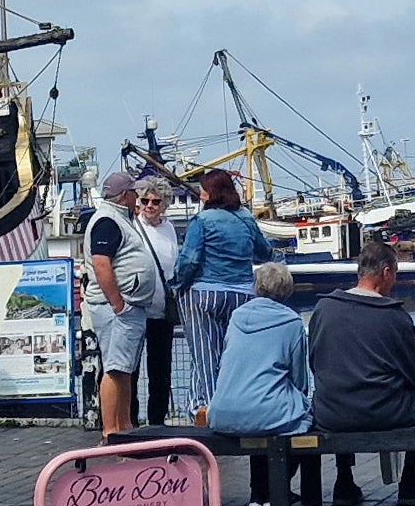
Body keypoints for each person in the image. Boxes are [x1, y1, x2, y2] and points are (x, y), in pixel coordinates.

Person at [307, 233, 415, 506]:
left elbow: (315, 362)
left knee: (340, 385)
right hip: (383, 412)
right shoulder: (393, 316)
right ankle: (411, 480)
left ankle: (344, 481)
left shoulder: (323, 309)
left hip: (332, 413)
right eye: (394, 275)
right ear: (385, 272)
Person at [207, 262, 319, 506]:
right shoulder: (291, 322)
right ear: (287, 290)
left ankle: (258, 493)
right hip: (265, 410)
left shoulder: (237, 317)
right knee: (292, 417)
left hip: (225, 409)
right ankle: (276, 489)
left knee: (260, 415)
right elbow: (299, 378)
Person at [173, 169, 277, 414]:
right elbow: (264, 252)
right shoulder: (245, 218)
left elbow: (190, 260)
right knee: (235, 355)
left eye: (203, 189)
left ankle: (208, 408)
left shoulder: (202, 221)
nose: (200, 193)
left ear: (211, 193)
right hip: (242, 294)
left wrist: (177, 284)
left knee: (204, 355)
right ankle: (236, 403)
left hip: (204, 293)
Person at [83, 170, 170, 436]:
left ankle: (125, 426)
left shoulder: (119, 219)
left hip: (130, 307)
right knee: (115, 368)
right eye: (135, 193)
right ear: (124, 196)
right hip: (119, 309)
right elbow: (101, 263)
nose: (139, 198)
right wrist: (117, 303)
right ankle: (111, 430)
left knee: (124, 369)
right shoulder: (108, 222)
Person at [145, 182, 184, 427]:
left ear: (164, 205)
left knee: (161, 369)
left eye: (155, 201)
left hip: (163, 308)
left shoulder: (169, 228)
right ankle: (131, 420)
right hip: (137, 308)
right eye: (145, 201)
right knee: (132, 369)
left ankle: (157, 421)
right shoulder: (134, 226)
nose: (149, 205)